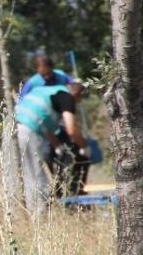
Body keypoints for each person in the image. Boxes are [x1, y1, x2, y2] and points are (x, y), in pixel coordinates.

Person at [15, 81, 89, 213]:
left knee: (18, 174)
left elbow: (43, 123)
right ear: (77, 93)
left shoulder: (48, 91)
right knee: (36, 174)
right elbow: (71, 129)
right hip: (28, 130)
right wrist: (84, 147)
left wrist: (56, 144)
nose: (79, 102)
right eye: (79, 98)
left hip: (12, 126)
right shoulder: (67, 97)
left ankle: (17, 213)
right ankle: (40, 216)